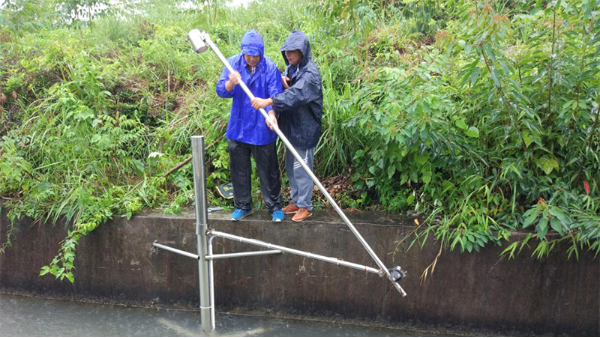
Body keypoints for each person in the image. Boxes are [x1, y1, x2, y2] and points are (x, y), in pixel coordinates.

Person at [252, 31, 323, 222]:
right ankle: (295, 201)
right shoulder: (294, 68)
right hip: (291, 128)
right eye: (286, 51)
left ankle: (305, 206)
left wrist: (267, 101)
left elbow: (295, 96)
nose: (288, 55)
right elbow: (287, 79)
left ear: (302, 51)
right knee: (292, 167)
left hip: (305, 130)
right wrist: (283, 77)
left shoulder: (310, 74)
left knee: (303, 168)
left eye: (293, 51)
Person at [216, 30, 285, 222]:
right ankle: (243, 206)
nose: (252, 59)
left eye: (256, 56)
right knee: (239, 170)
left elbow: (274, 93)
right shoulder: (233, 64)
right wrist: (231, 82)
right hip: (239, 125)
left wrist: (271, 114)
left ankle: (275, 207)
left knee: (268, 170)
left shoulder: (270, 67)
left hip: (262, 127)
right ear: (242, 53)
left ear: (261, 54)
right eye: (249, 56)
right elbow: (221, 90)